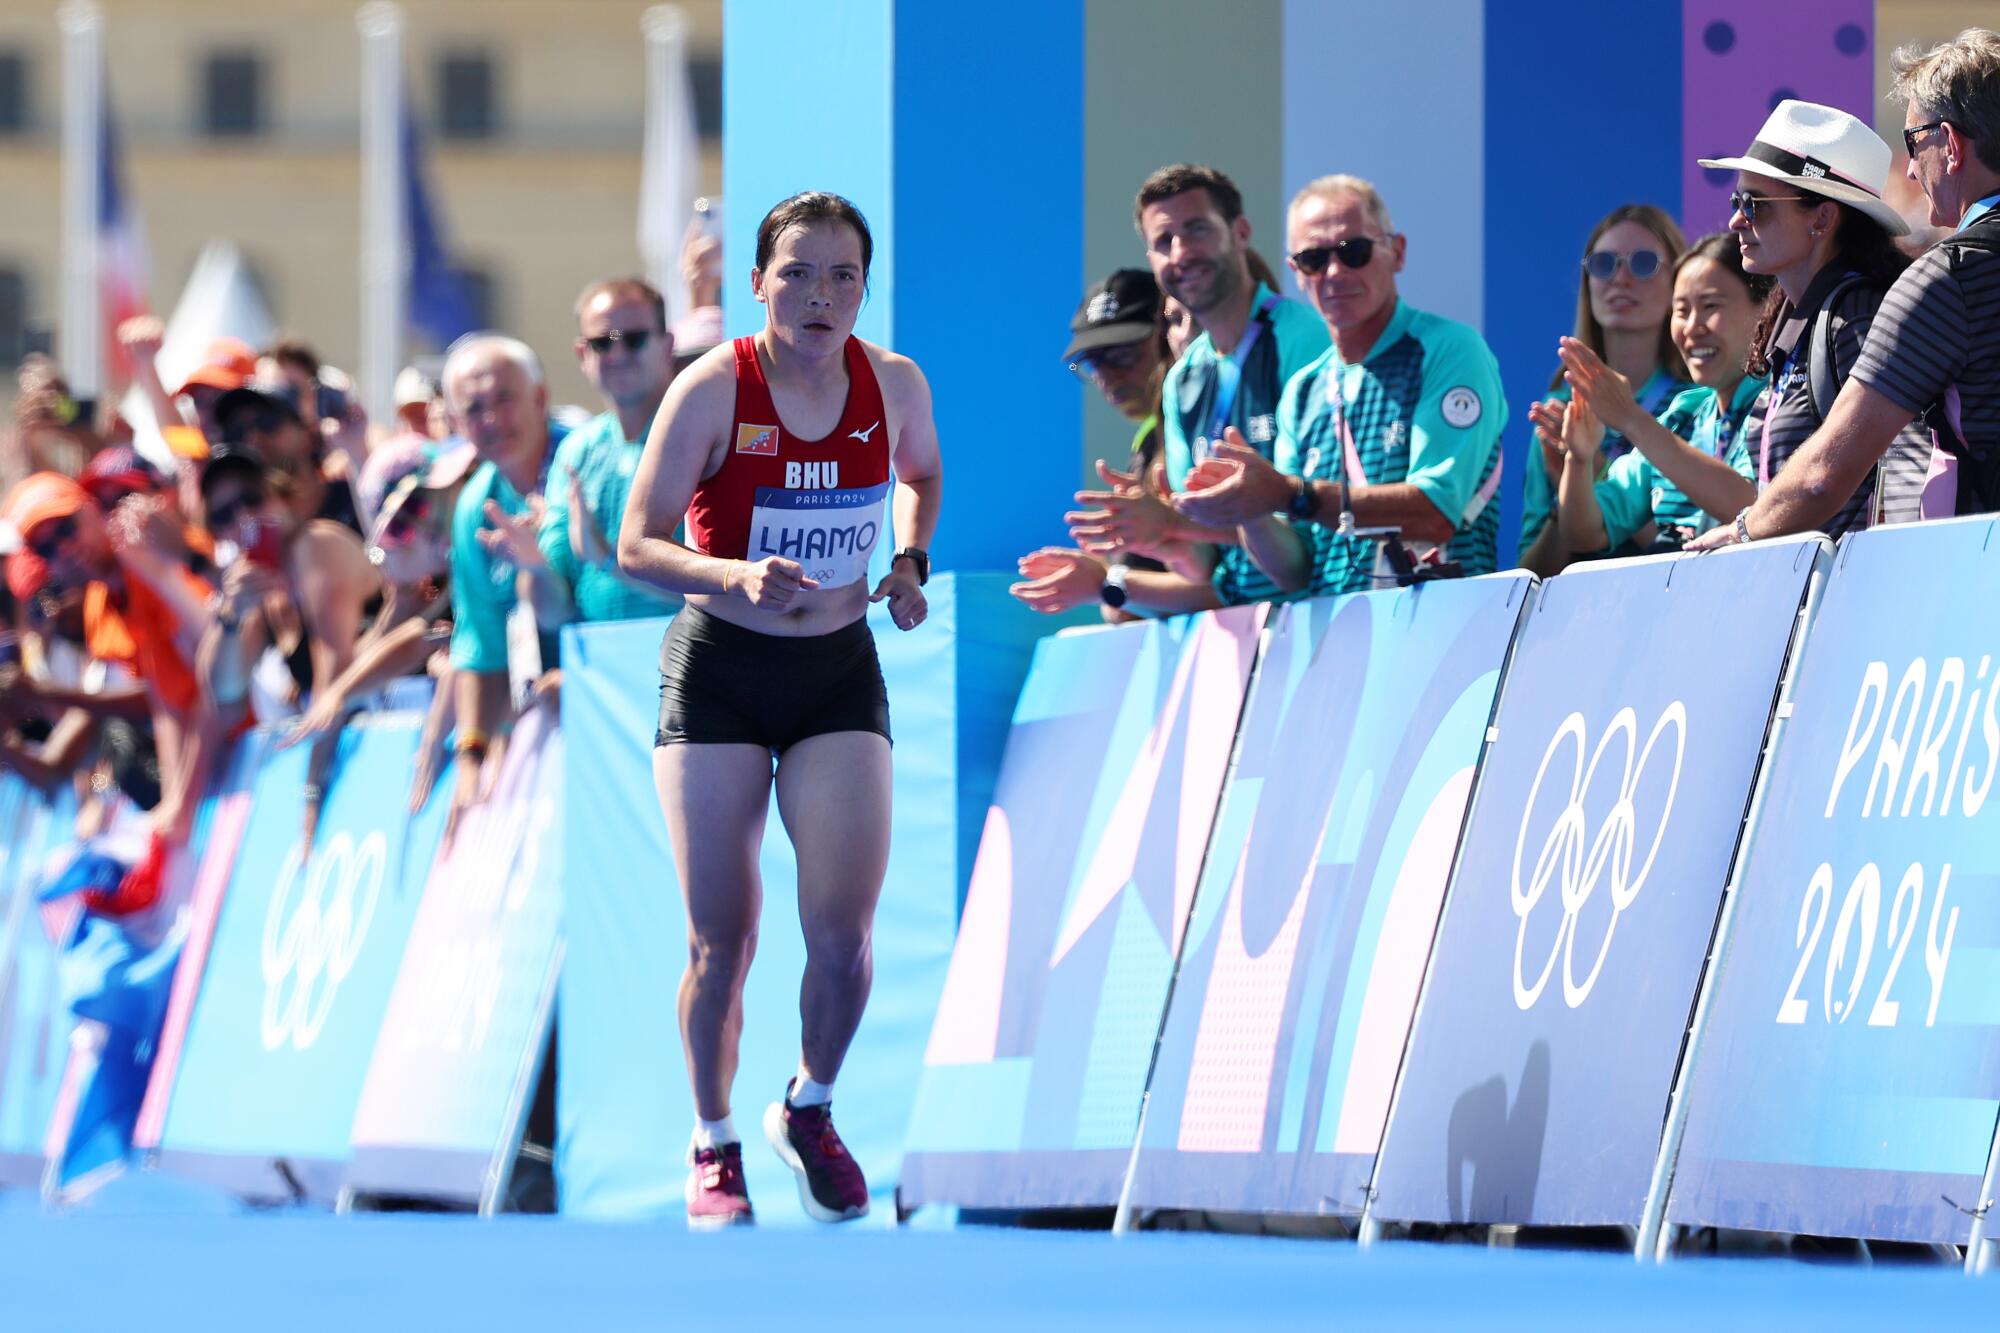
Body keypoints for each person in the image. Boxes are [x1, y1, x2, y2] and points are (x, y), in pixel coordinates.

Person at [617, 190, 941, 1230]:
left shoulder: (891, 383)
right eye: (796, 272)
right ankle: (711, 1142)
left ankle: (808, 1105)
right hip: (717, 669)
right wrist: (728, 576)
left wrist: (905, 559)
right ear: (756, 282)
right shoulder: (713, 388)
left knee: (841, 938)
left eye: (842, 274)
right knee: (724, 938)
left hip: (836, 674)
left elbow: (921, 476)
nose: (819, 294)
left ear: (863, 289)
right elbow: (635, 543)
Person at [1692, 32, 2000, 546]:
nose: (1908, 168)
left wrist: (1743, 533)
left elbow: (1826, 475)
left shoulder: (1946, 278)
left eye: (1912, 142)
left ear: (1949, 145)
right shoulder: (1931, 279)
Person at [1015, 164, 1329, 618]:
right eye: (1163, 242)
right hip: (1248, 636)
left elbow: (1313, 540)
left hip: (1329, 618)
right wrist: (1155, 538)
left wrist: (1156, 539)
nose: (1181, 253)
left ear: (1240, 232)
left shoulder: (1308, 342)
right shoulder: (1184, 381)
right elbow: (1204, 567)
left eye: (1197, 229)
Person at [1169, 176, 1505, 595]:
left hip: (1446, 635)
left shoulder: (1448, 349)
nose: (1334, 272)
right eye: (1313, 258)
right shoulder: (1304, 389)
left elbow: (1434, 513)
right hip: (1342, 648)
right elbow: (1295, 570)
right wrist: (1250, 509)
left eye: (1354, 252)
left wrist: (1290, 494)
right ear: (1295, 272)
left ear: (1396, 252)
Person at [1669, 101, 1930, 551]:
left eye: (1756, 205)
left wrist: (1743, 531)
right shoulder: (1799, 317)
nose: (1736, 220)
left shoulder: (1856, 317)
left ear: (1824, 218)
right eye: (1737, 201)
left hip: (1849, 603)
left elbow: (1889, 472)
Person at [1551, 234, 1771, 555]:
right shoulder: (1683, 416)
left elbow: (1759, 512)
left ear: (1766, 310)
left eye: (1711, 306)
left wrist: (1631, 419)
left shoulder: (1779, 403)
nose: (1692, 327)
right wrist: (1579, 458)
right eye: (1681, 310)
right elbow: (1587, 534)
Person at [439, 333, 570, 840]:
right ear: (455, 424)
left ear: (540, 397)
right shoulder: (474, 506)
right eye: (474, 408)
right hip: (541, 718)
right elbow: (479, 643)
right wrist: (470, 755)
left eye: (504, 399)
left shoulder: (585, 460)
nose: (491, 419)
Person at [1519, 205, 1695, 574]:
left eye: (1643, 263)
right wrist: (1564, 494)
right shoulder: (1561, 407)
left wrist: (1594, 471)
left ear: (1678, 282)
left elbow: (1693, 555)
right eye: (1603, 264)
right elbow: (1533, 573)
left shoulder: (1697, 402)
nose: (1621, 279)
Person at [509, 277, 682, 633]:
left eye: (633, 339)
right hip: (600, 674)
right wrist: (533, 564)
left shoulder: (702, 432)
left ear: (667, 345)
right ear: (582, 355)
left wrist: (605, 557)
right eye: (602, 343)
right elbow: (553, 613)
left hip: (689, 662)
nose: (617, 354)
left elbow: (718, 594)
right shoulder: (577, 451)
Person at [1060, 268, 1174, 622]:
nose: (1108, 377)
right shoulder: (1149, 436)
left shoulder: (1193, 431)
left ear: (1169, 337)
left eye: (1123, 356)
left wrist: (1108, 582)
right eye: (1093, 363)